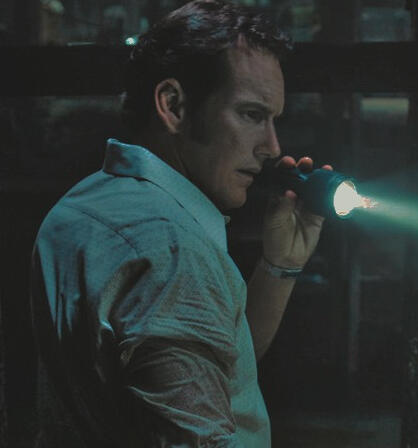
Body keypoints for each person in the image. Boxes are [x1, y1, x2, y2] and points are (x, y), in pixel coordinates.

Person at [30, 1, 328, 446]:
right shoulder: (172, 251)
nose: (272, 147)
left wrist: (279, 265)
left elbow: (218, 361)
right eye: (251, 115)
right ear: (172, 105)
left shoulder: (83, 205)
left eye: (273, 120)